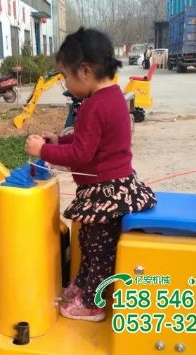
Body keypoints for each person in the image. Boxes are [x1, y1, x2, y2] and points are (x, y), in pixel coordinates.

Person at [24, 27, 157, 322]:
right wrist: (59, 140)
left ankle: (93, 304)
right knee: (89, 242)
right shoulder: (113, 97)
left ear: (85, 70)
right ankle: (84, 286)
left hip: (105, 193)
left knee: (98, 250)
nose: (66, 84)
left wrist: (42, 150)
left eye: (66, 76)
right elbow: (89, 141)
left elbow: (81, 155)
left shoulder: (93, 106)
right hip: (116, 187)